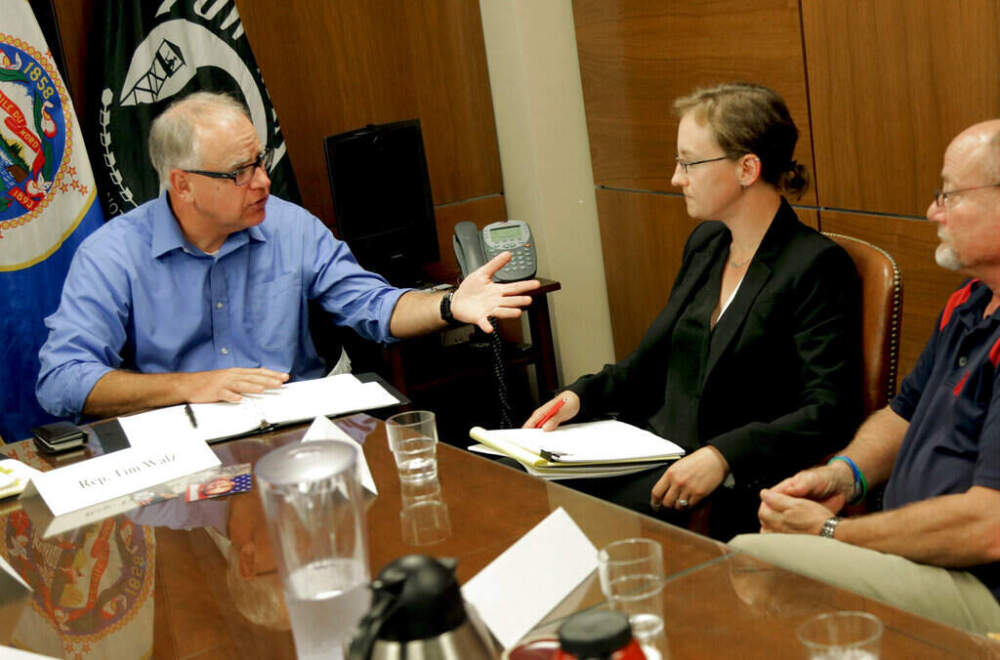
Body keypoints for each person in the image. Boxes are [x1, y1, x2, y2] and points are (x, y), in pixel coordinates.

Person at [36, 92, 538, 420]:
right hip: (181, 451)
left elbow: (373, 306)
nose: (263, 181)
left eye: (260, 161)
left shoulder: (289, 225)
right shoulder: (113, 253)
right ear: (183, 185)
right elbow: (61, 380)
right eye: (239, 172)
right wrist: (191, 386)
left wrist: (449, 305)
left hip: (296, 436)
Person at [524, 83, 862, 539]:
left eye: (689, 162)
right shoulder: (707, 244)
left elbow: (829, 410)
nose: (676, 178)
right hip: (656, 451)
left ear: (747, 168)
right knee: (513, 472)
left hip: (733, 476)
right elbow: (649, 364)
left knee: (553, 516)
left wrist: (723, 454)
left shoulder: (816, 265)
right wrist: (579, 397)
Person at [730, 120, 1000, 634]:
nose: (932, 212)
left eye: (949, 194)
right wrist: (843, 475)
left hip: (983, 587)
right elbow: (902, 416)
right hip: (920, 555)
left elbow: (990, 528)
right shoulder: (969, 302)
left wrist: (831, 531)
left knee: (754, 559)